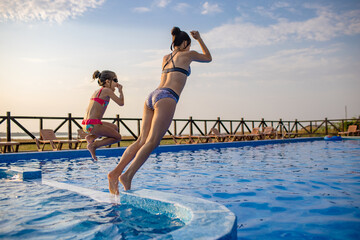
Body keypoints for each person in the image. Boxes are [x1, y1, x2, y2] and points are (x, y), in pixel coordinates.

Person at [108, 27, 212, 193]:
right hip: (167, 97)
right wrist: (199, 38)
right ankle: (127, 175)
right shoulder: (188, 55)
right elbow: (208, 58)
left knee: (141, 140)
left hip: (152, 95)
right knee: (152, 142)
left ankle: (115, 172)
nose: (191, 48)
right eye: (190, 44)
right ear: (185, 43)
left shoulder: (166, 57)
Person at [82, 70, 124, 160]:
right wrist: (120, 91)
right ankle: (94, 145)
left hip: (87, 124)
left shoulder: (97, 91)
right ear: (108, 81)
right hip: (93, 124)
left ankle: (91, 137)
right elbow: (121, 103)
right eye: (115, 80)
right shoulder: (107, 91)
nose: (117, 83)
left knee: (114, 127)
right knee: (117, 137)